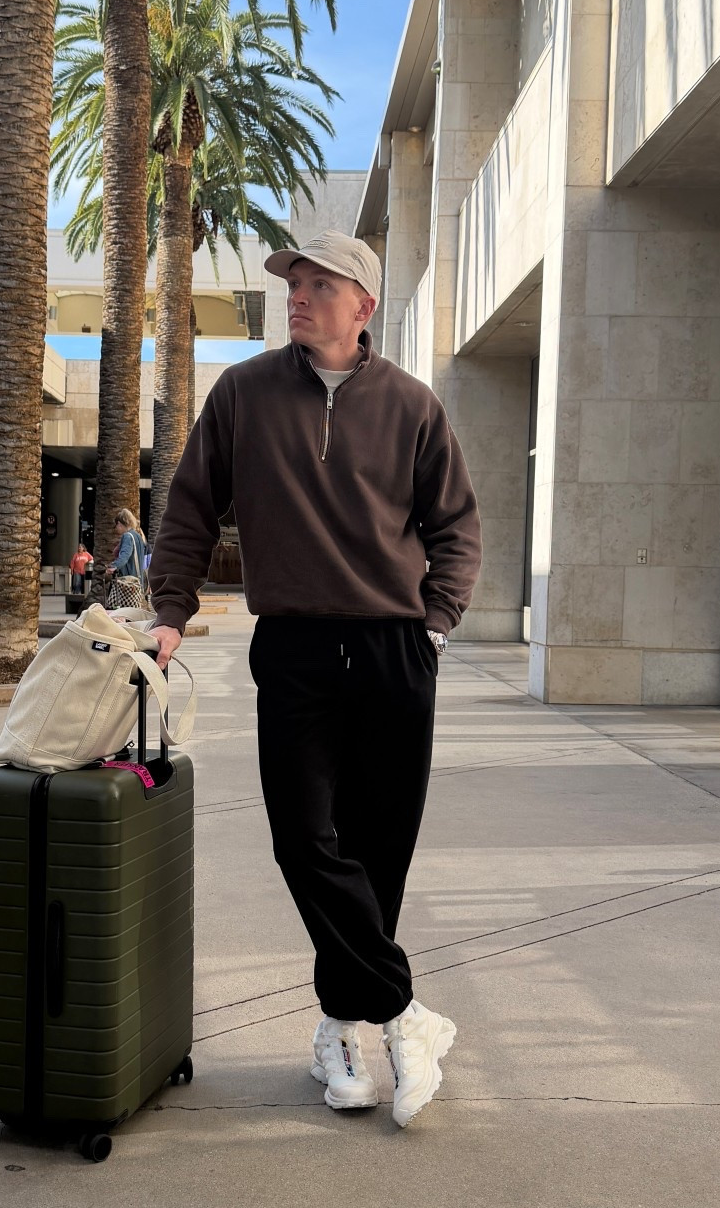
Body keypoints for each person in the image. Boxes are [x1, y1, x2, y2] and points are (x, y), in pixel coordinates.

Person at [147, 231, 481, 1127]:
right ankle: (407, 1014)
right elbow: (188, 506)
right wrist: (170, 609)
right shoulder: (244, 395)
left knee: (381, 850)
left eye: (318, 284)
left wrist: (436, 628)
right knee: (305, 839)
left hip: (394, 652)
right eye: (293, 283)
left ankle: (341, 1025)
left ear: (363, 305)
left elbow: (456, 525)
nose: (297, 296)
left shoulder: (411, 407)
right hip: (294, 650)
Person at [107, 507, 148, 608]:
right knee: (134, 610)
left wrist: (113, 566)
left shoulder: (127, 536)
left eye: (116, 525)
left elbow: (125, 556)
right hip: (138, 580)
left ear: (120, 523)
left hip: (128, 582)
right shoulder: (137, 536)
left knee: (122, 610)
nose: (116, 528)